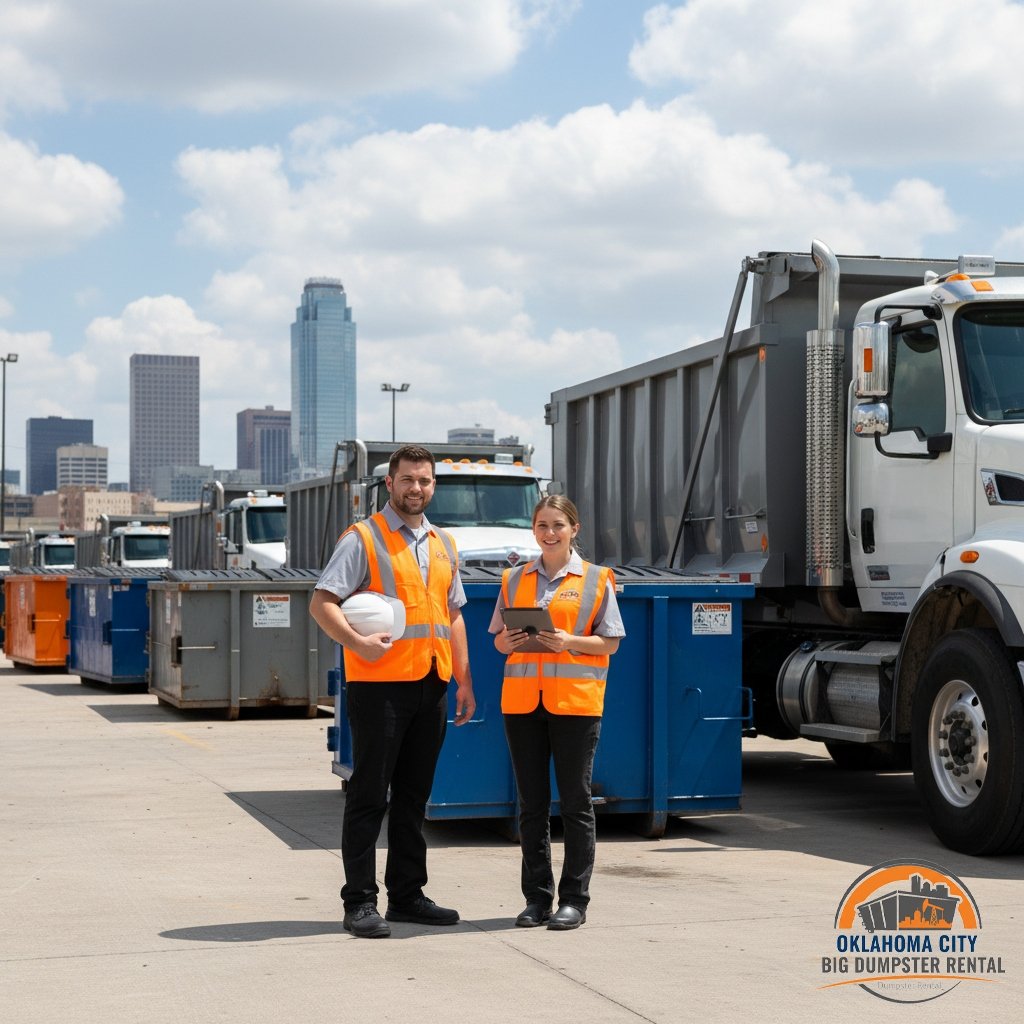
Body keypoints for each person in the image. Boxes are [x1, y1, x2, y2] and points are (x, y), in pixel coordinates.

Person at [310, 444, 476, 939]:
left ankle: (407, 895)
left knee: (413, 797)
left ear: (433, 485)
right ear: (390, 484)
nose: (416, 488)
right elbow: (323, 603)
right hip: (379, 686)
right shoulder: (364, 538)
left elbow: (454, 613)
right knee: (368, 796)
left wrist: (464, 679)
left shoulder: (444, 543)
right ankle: (359, 901)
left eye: (425, 481)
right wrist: (357, 641)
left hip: (431, 682)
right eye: (408, 480)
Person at [490, 495, 623, 931]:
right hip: (523, 704)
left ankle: (575, 901)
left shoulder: (597, 579)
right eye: (542, 525)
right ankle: (536, 899)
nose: (550, 533)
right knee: (530, 805)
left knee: (576, 803)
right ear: (534, 529)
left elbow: (611, 642)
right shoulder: (513, 579)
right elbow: (498, 639)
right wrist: (504, 643)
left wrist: (569, 641)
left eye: (558, 526)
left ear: (574, 529)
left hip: (576, 703)